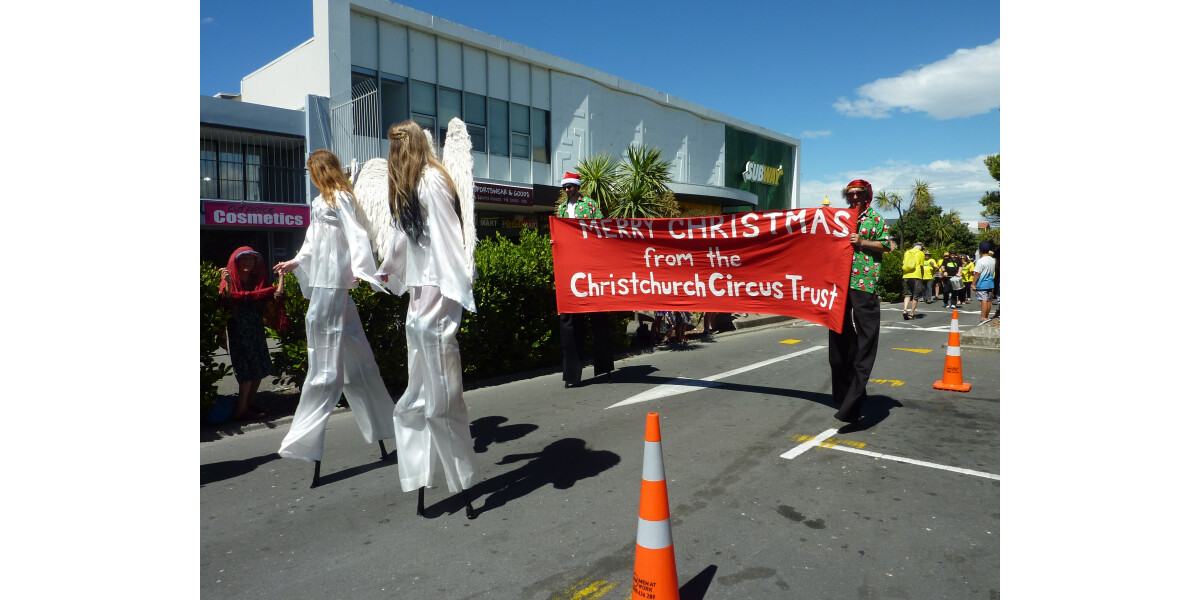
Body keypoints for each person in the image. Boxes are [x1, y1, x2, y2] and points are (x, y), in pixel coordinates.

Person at [374, 120, 481, 517]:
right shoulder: (409, 182)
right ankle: (419, 472)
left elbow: (449, 237)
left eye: (400, 144)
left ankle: (462, 479)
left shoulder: (433, 179)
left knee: (441, 398)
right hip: (421, 293)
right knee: (415, 398)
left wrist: (455, 289)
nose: (395, 151)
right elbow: (404, 235)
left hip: (438, 290)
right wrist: (389, 267)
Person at [273, 150, 396, 465]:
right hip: (328, 283)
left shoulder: (341, 197)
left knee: (325, 364)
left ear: (318, 170)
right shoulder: (319, 202)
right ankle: (385, 424)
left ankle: (305, 439)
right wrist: (296, 261)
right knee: (359, 361)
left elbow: (357, 234)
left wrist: (360, 266)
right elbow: (312, 241)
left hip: (333, 284)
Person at [828, 179, 890, 428]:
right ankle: (845, 394)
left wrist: (861, 243)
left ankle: (853, 402)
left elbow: (886, 245)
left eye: (858, 194)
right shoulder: (839, 218)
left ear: (866, 196)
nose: (854, 197)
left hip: (863, 284)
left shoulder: (875, 219)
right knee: (838, 341)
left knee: (865, 341)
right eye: (850, 194)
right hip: (839, 284)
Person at [555, 171, 614, 386]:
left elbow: (601, 228)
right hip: (570, 269)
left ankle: (605, 367)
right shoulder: (561, 209)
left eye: (571, 186)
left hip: (590, 267)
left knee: (599, 319)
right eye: (565, 187)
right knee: (569, 322)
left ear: (577, 187)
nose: (568, 190)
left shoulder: (589, 204)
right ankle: (571, 375)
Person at [218, 246, 285, 421]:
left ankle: (250, 403)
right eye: (244, 259)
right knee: (247, 371)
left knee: (259, 368)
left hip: (256, 330)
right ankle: (241, 410)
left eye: (251, 259)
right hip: (240, 333)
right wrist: (229, 283)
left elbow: (275, 296)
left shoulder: (257, 280)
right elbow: (226, 301)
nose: (248, 262)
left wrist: (282, 277)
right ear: (236, 261)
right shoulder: (229, 278)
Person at [973, 248, 997, 324]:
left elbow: (977, 273)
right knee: (989, 300)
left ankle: (983, 317)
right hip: (990, 282)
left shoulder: (981, 261)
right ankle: (987, 316)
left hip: (982, 282)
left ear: (980, 250)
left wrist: (973, 283)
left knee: (983, 300)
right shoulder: (992, 260)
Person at [900, 242, 924, 320]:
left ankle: (905, 310)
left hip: (906, 275)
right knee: (915, 296)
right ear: (921, 248)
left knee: (907, 294)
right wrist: (922, 276)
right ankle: (911, 313)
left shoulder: (907, 252)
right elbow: (921, 266)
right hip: (917, 275)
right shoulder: (921, 253)